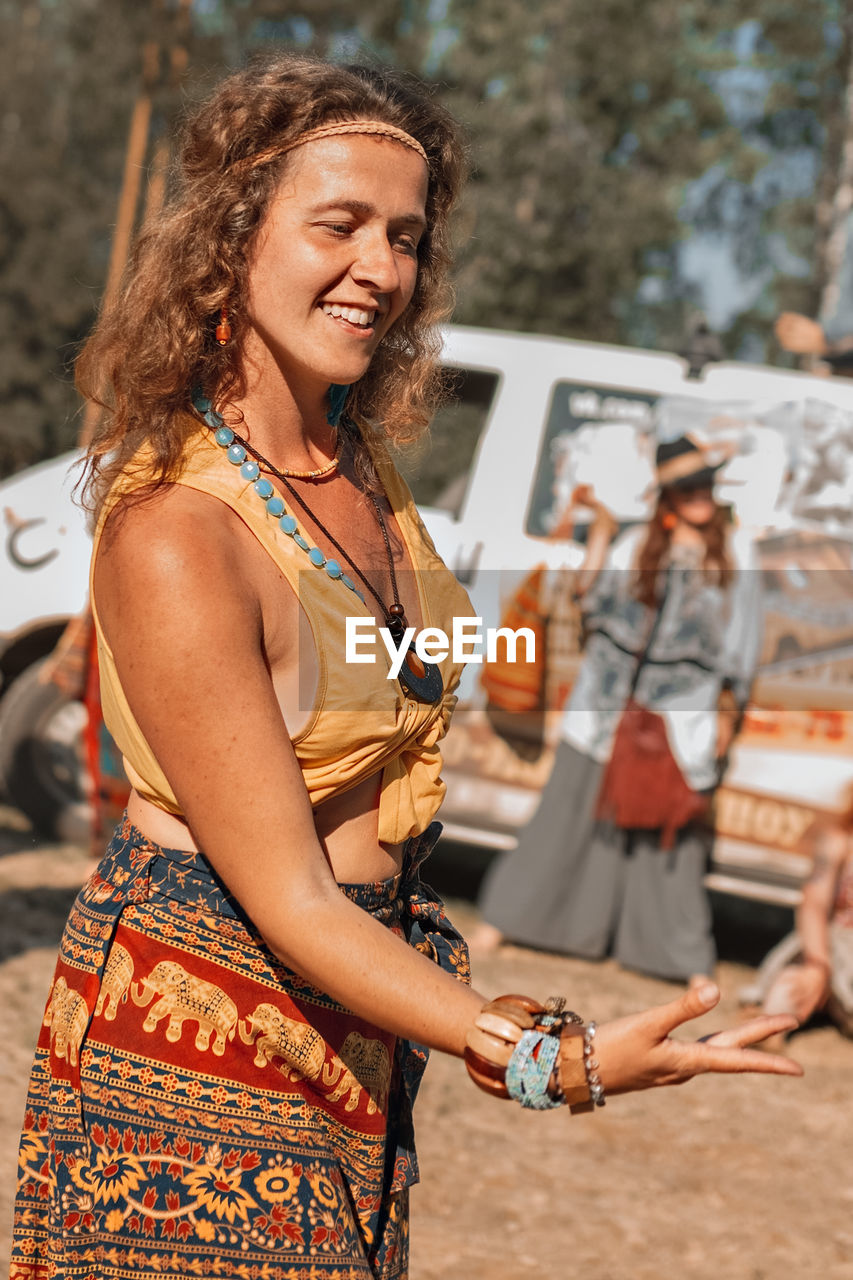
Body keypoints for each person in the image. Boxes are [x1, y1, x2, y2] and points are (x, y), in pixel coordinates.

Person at [11, 55, 801, 1280]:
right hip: (200, 1025)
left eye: (405, 235)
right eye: (338, 224)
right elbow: (291, 896)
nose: (381, 268)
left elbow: (404, 669)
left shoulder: (360, 470)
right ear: (232, 239)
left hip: (355, 1016)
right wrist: (550, 1055)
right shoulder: (179, 533)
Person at [474, 436, 763, 985]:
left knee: (668, 835)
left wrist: (730, 708)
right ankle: (505, 920)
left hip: (681, 712)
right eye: (685, 488)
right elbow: (591, 600)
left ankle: (685, 959)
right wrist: (603, 536)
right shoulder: (637, 544)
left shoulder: (738, 553)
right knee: (566, 815)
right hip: (606, 703)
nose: (698, 496)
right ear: (668, 499)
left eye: (704, 484)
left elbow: (744, 639)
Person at [739, 813, 853, 1047]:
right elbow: (814, 905)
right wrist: (818, 966)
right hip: (833, 946)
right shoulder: (840, 841)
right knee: (797, 981)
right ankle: (770, 1025)